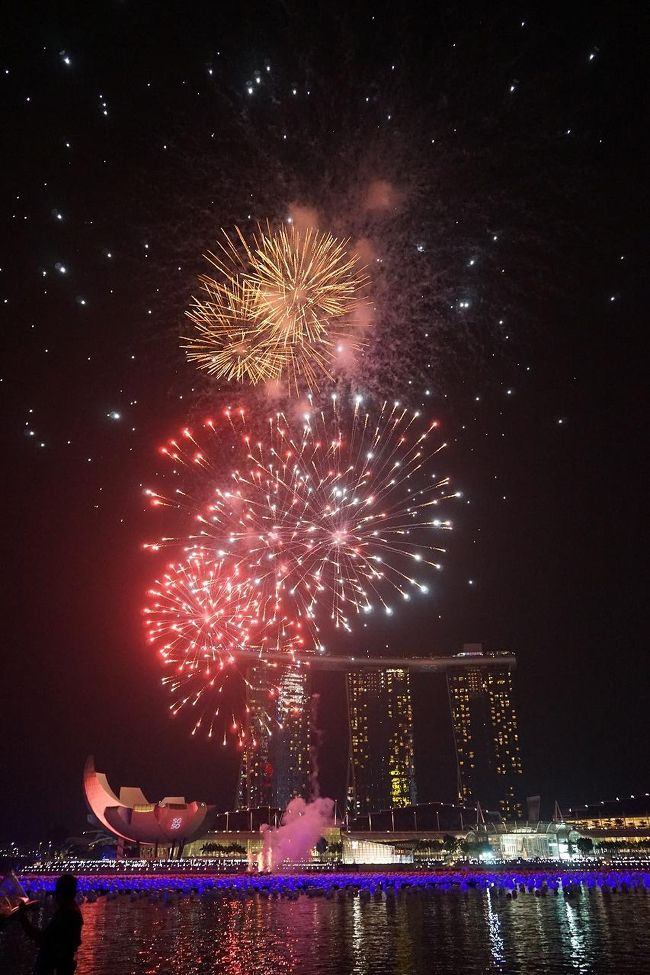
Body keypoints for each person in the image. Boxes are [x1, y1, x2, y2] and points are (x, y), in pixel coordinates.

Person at [19, 873, 83, 974]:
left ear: (61, 893)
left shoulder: (67, 914)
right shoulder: (71, 911)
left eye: (57, 891)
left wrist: (22, 917)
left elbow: (44, 939)